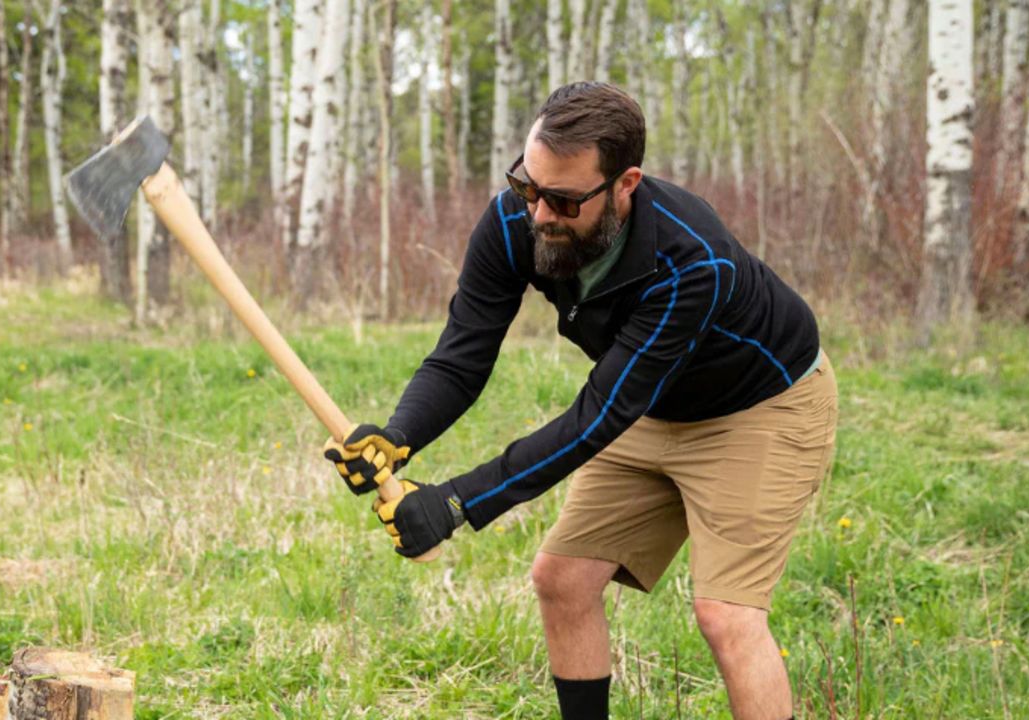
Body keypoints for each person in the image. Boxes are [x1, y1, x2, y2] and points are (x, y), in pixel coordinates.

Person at [324, 82, 837, 720]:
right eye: (528, 187)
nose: (539, 214)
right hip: (652, 401)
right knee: (562, 581)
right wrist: (397, 438)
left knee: (726, 616)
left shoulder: (690, 261)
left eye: (564, 200)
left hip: (760, 408)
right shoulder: (518, 218)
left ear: (625, 185)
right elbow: (463, 354)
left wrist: (458, 502)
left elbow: (598, 418)